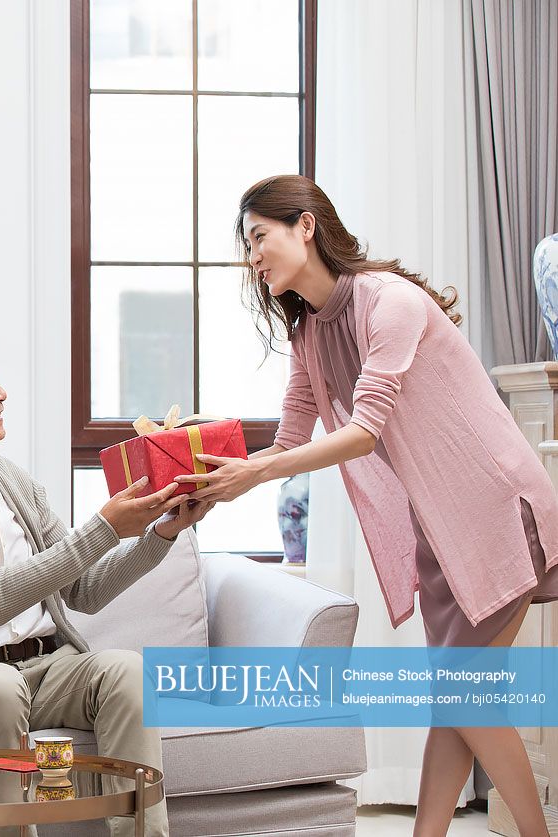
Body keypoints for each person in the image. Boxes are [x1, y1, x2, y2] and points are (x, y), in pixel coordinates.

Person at [178, 174, 558, 837]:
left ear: (304, 225)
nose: (252, 257)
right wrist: (210, 463)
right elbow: (290, 440)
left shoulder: (389, 302)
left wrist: (249, 472)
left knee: (466, 697)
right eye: (246, 246)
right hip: (439, 536)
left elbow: (361, 432)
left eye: (257, 237)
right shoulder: (308, 337)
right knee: (456, 702)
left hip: (496, 513)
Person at [0, 321, 216, 837]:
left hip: (49, 667)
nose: (0, 391)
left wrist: (161, 533)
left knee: (126, 670)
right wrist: (102, 528)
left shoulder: (12, 479)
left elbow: (86, 589)